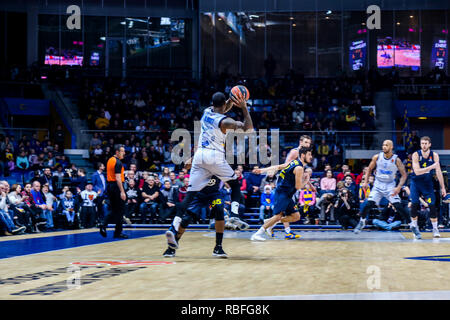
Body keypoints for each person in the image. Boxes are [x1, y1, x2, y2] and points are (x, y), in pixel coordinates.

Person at [173, 91, 252, 233]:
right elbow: (248, 128)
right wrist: (244, 107)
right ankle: (234, 215)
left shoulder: (207, 111)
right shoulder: (226, 121)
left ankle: (173, 228)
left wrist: (232, 99)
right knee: (235, 184)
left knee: (189, 195)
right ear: (223, 105)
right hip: (214, 155)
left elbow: (224, 107)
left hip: (200, 155)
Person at [354, 140, 421, 239]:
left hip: (390, 186)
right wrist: (366, 182)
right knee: (368, 204)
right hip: (378, 185)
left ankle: (413, 226)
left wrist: (398, 187)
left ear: (391, 147)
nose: (384, 146)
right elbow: (369, 169)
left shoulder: (396, 160)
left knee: (399, 207)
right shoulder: (377, 157)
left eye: (386, 145)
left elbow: (404, 175)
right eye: (383, 145)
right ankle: (362, 222)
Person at [253, 135, 314, 239]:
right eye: (309, 154)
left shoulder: (295, 162)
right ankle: (258, 233)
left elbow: (278, 166)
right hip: (283, 191)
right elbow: (298, 186)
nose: (311, 157)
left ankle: (270, 223)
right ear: (303, 155)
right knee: (278, 215)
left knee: (296, 216)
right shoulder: (298, 164)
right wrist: (306, 181)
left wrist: (262, 170)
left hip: (287, 191)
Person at [163, 176, 228, 258]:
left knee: (219, 210)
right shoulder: (198, 164)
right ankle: (172, 246)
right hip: (198, 193)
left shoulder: (219, 164)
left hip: (214, 193)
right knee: (186, 219)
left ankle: (218, 247)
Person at [409, 136, 447, 238]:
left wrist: (443, 188)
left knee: (432, 206)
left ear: (429, 144)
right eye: (422, 143)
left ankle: (435, 229)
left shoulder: (434, 155)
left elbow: (438, 172)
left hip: (427, 183)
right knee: (414, 205)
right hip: (416, 183)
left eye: (426, 143)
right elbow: (417, 172)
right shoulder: (416, 154)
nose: (424, 145)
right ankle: (415, 228)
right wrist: (432, 167)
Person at [100, 145, 128, 238]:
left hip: (110, 186)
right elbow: (118, 178)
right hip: (116, 187)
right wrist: (122, 191)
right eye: (122, 151)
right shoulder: (118, 162)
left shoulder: (110, 160)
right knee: (120, 210)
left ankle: (104, 225)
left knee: (114, 210)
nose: (124, 153)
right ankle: (116, 232)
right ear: (117, 152)